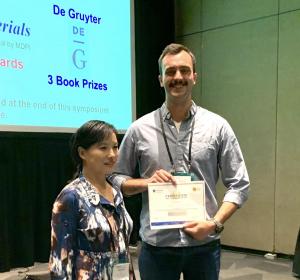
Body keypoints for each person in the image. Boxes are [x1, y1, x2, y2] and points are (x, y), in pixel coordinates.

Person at [111, 43, 250, 280]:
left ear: (194, 77)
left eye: (184, 71)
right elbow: (114, 178)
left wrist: (214, 223)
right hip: (157, 248)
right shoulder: (139, 129)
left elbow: (240, 184)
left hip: (204, 247)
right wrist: (146, 183)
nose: (178, 77)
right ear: (160, 79)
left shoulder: (218, 127)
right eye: (170, 71)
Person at [49, 120, 134, 279]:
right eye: (103, 148)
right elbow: (59, 263)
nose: (112, 154)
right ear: (82, 153)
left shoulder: (116, 192)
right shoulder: (71, 197)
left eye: (115, 147)